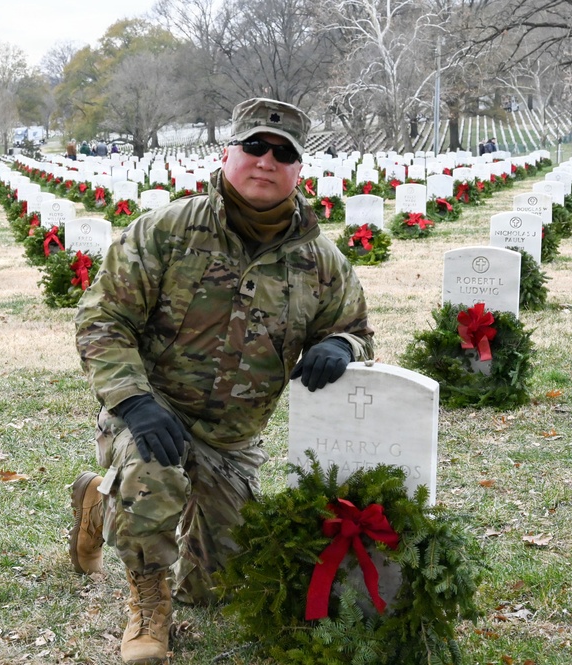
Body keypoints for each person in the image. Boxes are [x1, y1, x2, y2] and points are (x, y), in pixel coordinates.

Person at [70, 97, 375, 665]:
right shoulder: (166, 231)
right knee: (149, 473)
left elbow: (356, 328)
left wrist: (340, 345)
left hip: (232, 440)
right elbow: (101, 319)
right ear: (228, 153)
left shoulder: (320, 260)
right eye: (254, 146)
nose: (266, 160)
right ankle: (147, 601)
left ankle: (96, 497)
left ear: (299, 170)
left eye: (282, 153)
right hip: (152, 413)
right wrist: (134, 401)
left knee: (218, 585)